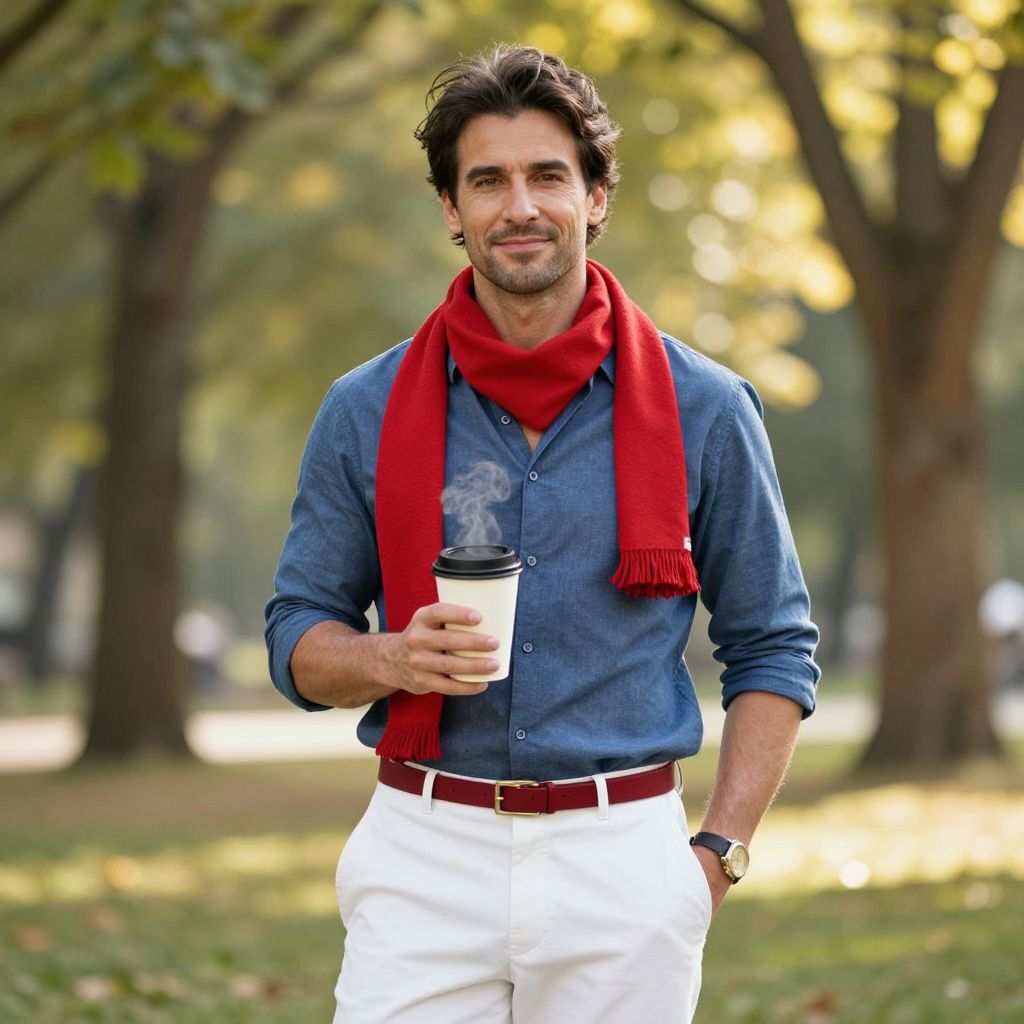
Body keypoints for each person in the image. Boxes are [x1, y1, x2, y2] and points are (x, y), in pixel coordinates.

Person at [265, 44, 819, 1024]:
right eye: (487, 180)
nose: (518, 205)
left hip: (624, 862)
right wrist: (391, 654)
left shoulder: (707, 408)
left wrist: (715, 857)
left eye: (547, 175)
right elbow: (296, 636)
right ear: (451, 208)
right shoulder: (364, 407)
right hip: (422, 850)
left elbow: (773, 644)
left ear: (595, 194)